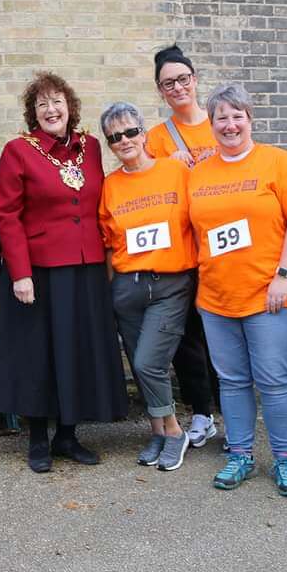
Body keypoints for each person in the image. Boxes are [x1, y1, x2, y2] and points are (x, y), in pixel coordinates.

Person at [0, 71, 128, 473]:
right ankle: (37, 439)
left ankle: (67, 435)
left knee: (77, 352)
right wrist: (20, 273)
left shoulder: (90, 148)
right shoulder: (19, 150)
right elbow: (7, 216)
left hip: (85, 268)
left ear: (70, 107)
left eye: (57, 102)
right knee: (40, 355)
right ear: (33, 113)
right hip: (38, 272)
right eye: (42, 104)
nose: (51, 110)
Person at [187, 83, 287, 496]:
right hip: (217, 298)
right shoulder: (199, 174)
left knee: (275, 381)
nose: (229, 124)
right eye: (221, 117)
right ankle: (240, 455)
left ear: (250, 119)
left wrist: (283, 274)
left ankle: (285, 461)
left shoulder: (277, 163)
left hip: (269, 295)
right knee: (232, 382)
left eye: (237, 115)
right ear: (211, 124)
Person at [99, 102, 194, 471]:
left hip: (170, 284)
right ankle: (156, 431)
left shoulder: (176, 171)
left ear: (144, 133)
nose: (124, 141)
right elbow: (108, 243)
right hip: (127, 288)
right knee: (141, 367)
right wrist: (111, 293)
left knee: (148, 362)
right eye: (115, 137)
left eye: (130, 132)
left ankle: (174, 432)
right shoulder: (110, 186)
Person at [145, 44, 220, 448]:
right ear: (160, 91)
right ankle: (202, 413)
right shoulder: (156, 139)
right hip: (181, 250)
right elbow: (145, 187)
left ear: (195, 79)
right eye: (168, 83)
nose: (177, 87)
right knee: (187, 337)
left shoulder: (223, 121)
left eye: (183, 79)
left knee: (223, 332)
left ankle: (232, 410)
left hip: (221, 248)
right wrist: (165, 167)